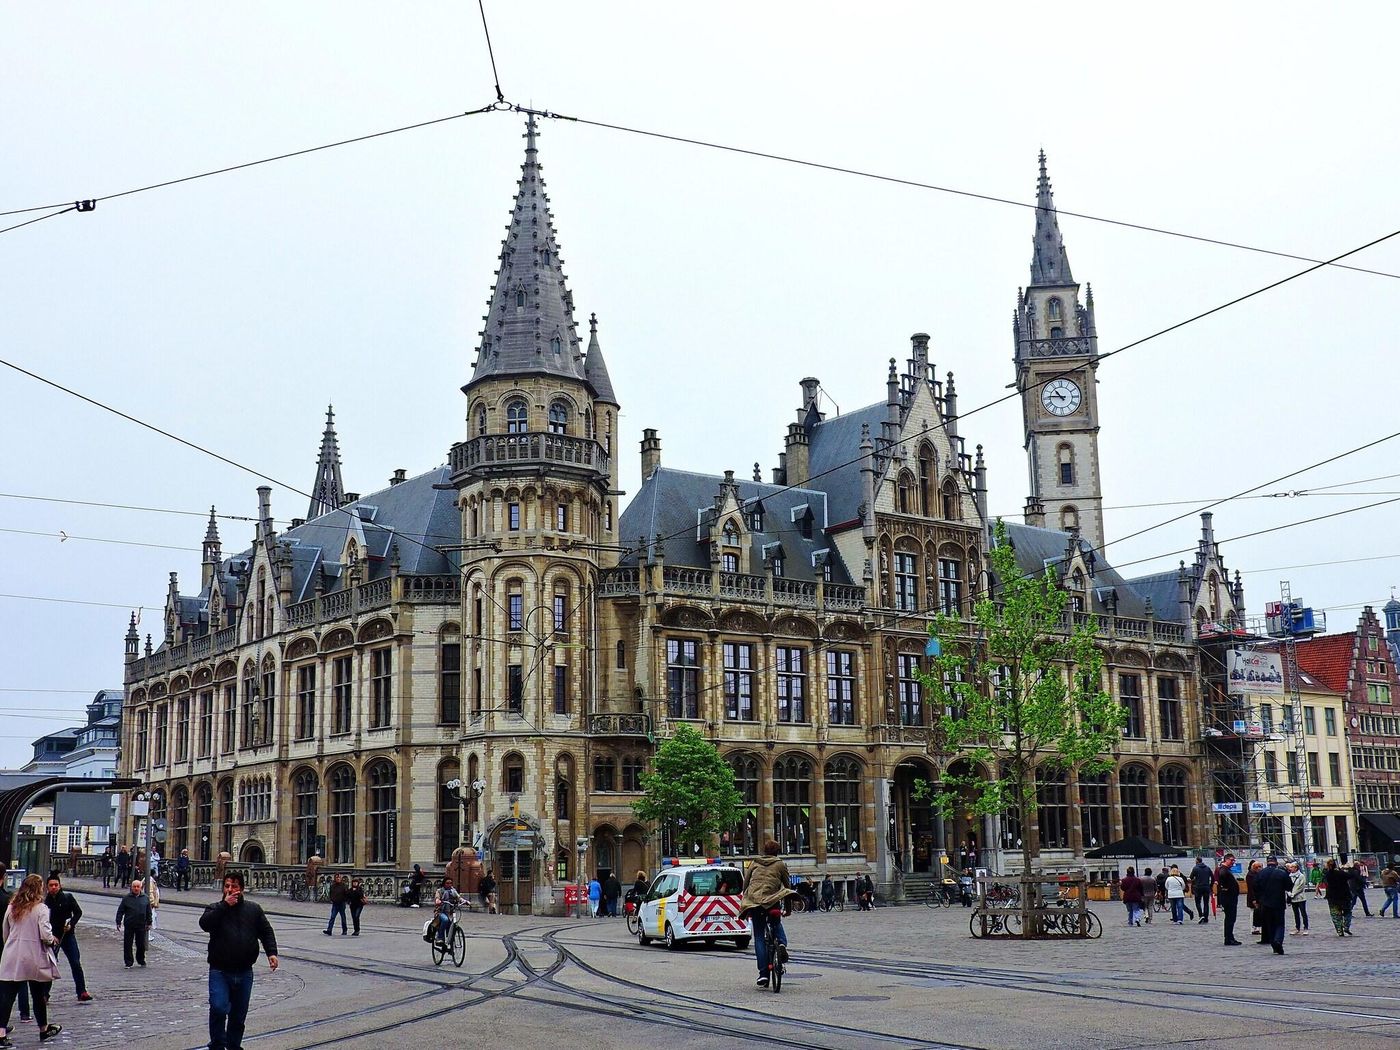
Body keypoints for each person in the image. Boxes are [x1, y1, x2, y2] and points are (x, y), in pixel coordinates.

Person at [200, 872, 278, 1050]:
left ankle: (234, 1045)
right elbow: (204, 924)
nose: (230, 890)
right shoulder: (214, 908)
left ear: (241, 889)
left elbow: (266, 931)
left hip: (244, 971)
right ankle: (218, 1044)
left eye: (234, 886)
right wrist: (224, 906)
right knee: (219, 1007)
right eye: (227, 886)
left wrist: (271, 953)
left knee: (238, 1015)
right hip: (220, 970)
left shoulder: (253, 909)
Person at [0, 874, 62, 1043]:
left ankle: (1, 1033)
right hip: (33, 956)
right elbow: (45, 934)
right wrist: (52, 940)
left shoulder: (12, 906)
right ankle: (43, 1029)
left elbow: (5, 931)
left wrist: (11, 945)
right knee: (38, 995)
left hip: (12, 955)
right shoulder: (40, 908)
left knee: (7, 997)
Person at [739, 841, 798, 988]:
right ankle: (782, 944)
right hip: (772, 902)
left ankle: (763, 974)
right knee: (776, 922)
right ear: (777, 852)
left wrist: (746, 905)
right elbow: (787, 887)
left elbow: (745, 886)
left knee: (759, 936)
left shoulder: (754, 863)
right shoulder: (780, 865)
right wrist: (788, 910)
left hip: (755, 903)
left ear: (763, 851)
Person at [43, 873, 90, 1002]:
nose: (54, 887)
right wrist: (50, 936)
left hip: (67, 935)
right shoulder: (44, 903)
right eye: (51, 885)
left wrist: (71, 924)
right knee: (50, 965)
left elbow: (78, 912)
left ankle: (82, 991)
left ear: (60, 885)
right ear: (47, 887)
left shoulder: (68, 898)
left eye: (56, 885)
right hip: (52, 937)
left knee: (75, 962)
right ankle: (45, 994)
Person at [0, 872, 32, 1029]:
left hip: (9, 948)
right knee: (16, 985)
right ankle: (24, 1015)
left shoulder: (11, 903)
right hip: (10, 950)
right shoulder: (8, 901)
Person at [1254, 855, 1291, 954]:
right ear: (1276, 862)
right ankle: (1278, 940)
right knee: (1279, 924)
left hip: (1265, 903)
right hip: (1278, 902)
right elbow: (1289, 886)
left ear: (1267, 862)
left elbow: (1255, 888)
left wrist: (1258, 900)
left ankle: (1273, 944)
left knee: (1269, 925)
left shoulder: (1260, 873)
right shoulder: (1281, 873)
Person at [115, 879, 152, 967]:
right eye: (134, 887)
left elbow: (148, 911)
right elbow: (120, 911)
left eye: (137, 887)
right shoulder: (126, 898)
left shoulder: (145, 898)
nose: (136, 888)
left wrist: (149, 922)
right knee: (128, 944)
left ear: (141, 888)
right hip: (129, 924)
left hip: (141, 924)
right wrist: (118, 922)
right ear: (131, 888)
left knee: (141, 944)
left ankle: (141, 960)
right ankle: (128, 962)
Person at [1321, 858, 1353, 936]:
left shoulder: (1328, 874)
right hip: (1344, 896)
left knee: (1335, 914)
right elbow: (1350, 876)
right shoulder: (1341, 873)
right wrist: (1347, 868)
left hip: (1332, 897)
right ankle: (1346, 926)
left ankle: (1339, 930)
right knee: (1347, 912)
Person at [1216, 854, 1242, 946]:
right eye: (1231, 860)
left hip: (1229, 897)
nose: (1233, 862)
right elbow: (1222, 878)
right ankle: (1228, 938)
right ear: (1226, 860)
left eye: (1234, 860)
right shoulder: (1224, 870)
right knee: (1230, 919)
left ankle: (1230, 937)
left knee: (1231, 919)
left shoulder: (1226, 870)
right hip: (1228, 898)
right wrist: (1226, 887)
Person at [432, 879, 461, 945]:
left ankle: (450, 939)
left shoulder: (453, 891)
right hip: (440, 912)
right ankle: (440, 937)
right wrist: (438, 901)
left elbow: (458, 897)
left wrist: (465, 901)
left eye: (450, 883)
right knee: (445, 920)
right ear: (444, 884)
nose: (449, 885)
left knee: (453, 922)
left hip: (450, 912)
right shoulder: (439, 891)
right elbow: (437, 898)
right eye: (447, 883)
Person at [1287, 861, 1310, 935]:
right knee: (1296, 914)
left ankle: (1306, 928)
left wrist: (1294, 893)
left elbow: (1301, 887)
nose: (1290, 868)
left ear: (1296, 868)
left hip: (1301, 898)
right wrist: (1289, 893)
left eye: (1292, 867)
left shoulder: (1301, 876)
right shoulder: (1289, 876)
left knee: (1303, 913)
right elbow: (1288, 886)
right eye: (1290, 867)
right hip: (1293, 899)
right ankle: (1297, 928)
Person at [1190, 856, 1213, 924]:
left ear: (1197, 861)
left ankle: (1201, 915)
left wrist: (1194, 881)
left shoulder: (1195, 868)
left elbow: (1191, 877)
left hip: (1198, 887)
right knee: (1206, 903)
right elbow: (1213, 877)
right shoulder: (1207, 868)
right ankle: (1206, 917)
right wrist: (1210, 885)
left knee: (1198, 902)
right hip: (1206, 887)